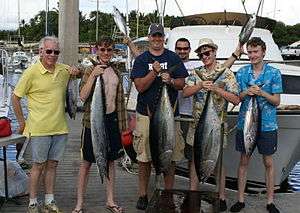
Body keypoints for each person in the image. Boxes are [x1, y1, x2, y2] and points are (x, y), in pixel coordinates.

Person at [12, 36, 80, 213]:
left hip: (60, 128)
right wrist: (21, 121)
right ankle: (33, 202)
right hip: (39, 129)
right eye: (49, 51)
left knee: (52, 166)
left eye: (56, 52)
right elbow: (15, 97)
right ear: (41, 52)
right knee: (38, 166)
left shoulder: (64, 70)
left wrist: (77, 71)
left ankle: (49, 200)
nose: (52, 55)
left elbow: (78, 72)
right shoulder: (31, 72)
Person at [130, 23, 189, 210]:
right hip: (146, 115)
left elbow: (181, 83)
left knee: (170, 156)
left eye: (160, 36)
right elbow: (140, 86)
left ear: (163, 38)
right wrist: (154, 72)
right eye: (154, 36)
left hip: (169, 115)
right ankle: (143, 195)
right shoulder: (141, 60)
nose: (157, 39)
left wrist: (169, 80)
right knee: (144, 158)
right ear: (149, 38)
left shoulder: (172, 57)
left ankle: (168, 195)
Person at [182, 38, 241, 211]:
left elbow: (236, 100)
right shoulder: (196, 73)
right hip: (196, 126)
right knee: (194, 161)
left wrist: (217, 89)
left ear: (215, 52)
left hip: (216, 127)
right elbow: (185, 93)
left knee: (217, 162)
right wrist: (200, 85)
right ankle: (193, 193)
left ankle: (221, 196)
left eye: (207, 53)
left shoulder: (227, 73)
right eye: (201, 54)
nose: (204, 57)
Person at [72, 37, 127, 213]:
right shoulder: (90, 70)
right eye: (102, 50)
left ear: (113, 52)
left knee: (110, 161)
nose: (106, 53)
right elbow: (82, 96)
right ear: (96, 50)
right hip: (93, 121)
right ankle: (79, 203)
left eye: (109, 50)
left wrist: (123, 126)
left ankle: (110, 200)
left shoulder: (116, 72)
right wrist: (93, 75)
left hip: (112, 121)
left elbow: (119, 102)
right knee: (86, 162)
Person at [230, 37, 282, 213]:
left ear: (263, 52)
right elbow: (237, 99)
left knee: (268, 162)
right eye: (250, 52)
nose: (252, 55)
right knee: (244, 161)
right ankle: (240, 199)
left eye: (256, 51)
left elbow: (276, 101)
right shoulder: (242, 72)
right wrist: (246, 92)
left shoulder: (274, 73)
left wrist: (261, 92)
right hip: (246, 124)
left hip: (268, 126)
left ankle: (270, 202)